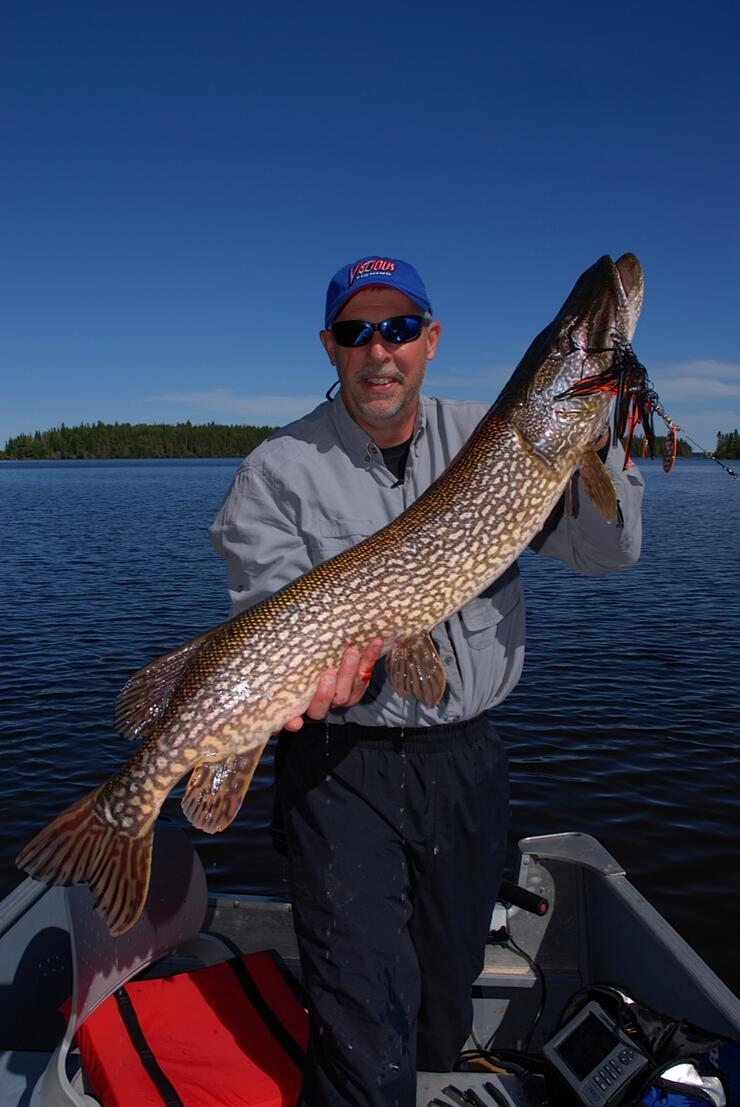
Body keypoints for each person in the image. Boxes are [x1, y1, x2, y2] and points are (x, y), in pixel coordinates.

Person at [209, 255, 645, 1107]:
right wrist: (315, 680)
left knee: (444, 1008)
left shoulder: (503, 435)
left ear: (431, 341)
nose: (380, 350)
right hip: (339, 774)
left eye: (400, 329)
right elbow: (269, 626)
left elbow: (608, 553)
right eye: (356, 332)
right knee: (363, 1031)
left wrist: (601, 434)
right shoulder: (276, 470)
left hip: (466, 764)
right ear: (330, 348)